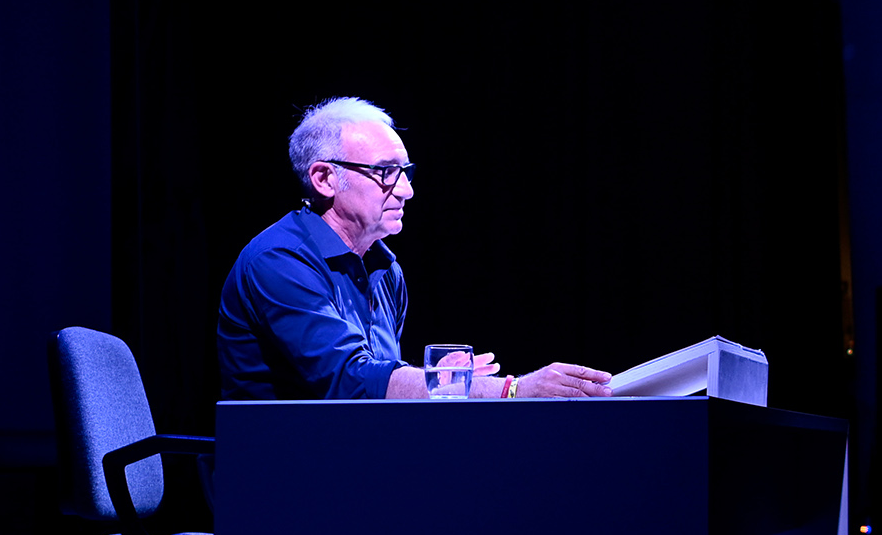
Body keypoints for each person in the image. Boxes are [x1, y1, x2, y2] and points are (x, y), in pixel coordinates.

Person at [217, 97, 611, 401]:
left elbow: (375, 385)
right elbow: (351, 381)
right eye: (385, 172)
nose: (406, 190)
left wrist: (440, 382)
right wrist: (512, 389)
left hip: (352, 457)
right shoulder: (279, 261)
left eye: (405, 172)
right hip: (283, 468)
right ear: (324, 179)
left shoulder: (384, 267)